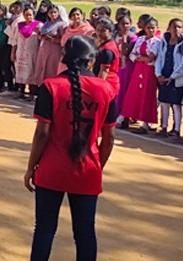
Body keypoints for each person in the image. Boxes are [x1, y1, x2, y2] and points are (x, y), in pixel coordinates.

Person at [25, 35, 116, 261]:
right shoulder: (106, 89)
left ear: (65, 58)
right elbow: (110, 137)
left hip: (52, 169)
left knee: (45, 229)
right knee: (85, 233)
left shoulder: (51, 86)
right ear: (91, 60)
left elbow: (42, 133)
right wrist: (98, 166)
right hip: (87, 169)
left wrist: (30, 168)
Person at [120, 17, 161, 134]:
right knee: (135, 93)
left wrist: (140, 58)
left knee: (147, 95)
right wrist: (141, 58)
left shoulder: (157, 42)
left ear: (156, 28)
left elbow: (151, 58)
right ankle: (129, 117)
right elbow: (132, 55)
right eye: (148, 28)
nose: (150, 30)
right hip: (138, 70)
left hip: (149, 71)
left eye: (153, 28)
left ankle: (145, 123)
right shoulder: (141, 39)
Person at [153, 18, 183, 142]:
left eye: (179, 27)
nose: (176, 29)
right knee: (164, 102)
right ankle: (163, 127)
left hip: (177, 78)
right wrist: (159, 74)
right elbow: (159, 59)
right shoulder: (164, 42)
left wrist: (172, 77)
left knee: (176, 104)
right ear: (169, 28)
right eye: (174, 27)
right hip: (164, 75)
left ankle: (177, 130)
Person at [33, 5, 67, 86]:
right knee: (41, 70)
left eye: (55, 12)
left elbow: (64, 40)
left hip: (54, 51)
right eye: (51, 12)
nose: (53, 14)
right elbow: (41, 36)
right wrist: (39, 35)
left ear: (58, 13)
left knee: (50, 70)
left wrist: (52, 39)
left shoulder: (62, 25)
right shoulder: (47, 24)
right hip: (44, 49)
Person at [114, 14, 137, 128]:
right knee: (117, 90)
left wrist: (124, 40)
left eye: (127, 23)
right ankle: (116, 113)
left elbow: (126, 53)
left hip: (127, 67)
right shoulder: (115, 36)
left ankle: (124, 116)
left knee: (125, 90)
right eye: (122, 23)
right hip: (117, 65)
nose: (125, 26)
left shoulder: (133, 37)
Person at [14, 7, 43, 101]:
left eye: (30, 15)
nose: (28, 17)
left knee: (31, 72)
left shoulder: (39, 25)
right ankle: (21, 91)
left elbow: (42, 39)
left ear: (33, 15)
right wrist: (13, 52)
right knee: (20, 71)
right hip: (21, 52)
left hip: (32, 53)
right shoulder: (19, 25)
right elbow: (14, 40)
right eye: (26, 15)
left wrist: (38, 33)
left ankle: (32, 93)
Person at [93, 17, 121, 96]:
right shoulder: (105, 44)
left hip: (107, 84)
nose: (99, 33)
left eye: (103, 31)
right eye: (97, 30)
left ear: (111, 32)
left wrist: (96, 88)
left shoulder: (107, 50)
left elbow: (104, 71)